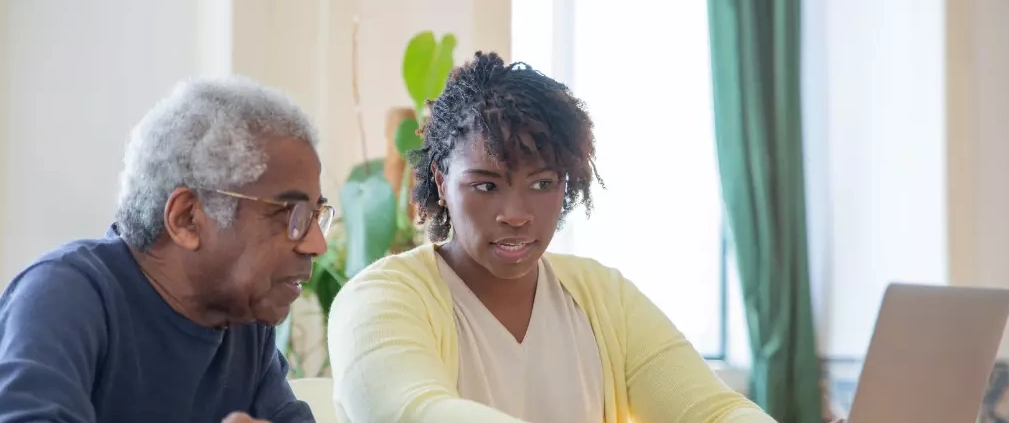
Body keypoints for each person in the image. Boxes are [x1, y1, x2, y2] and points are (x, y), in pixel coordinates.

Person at [326, 51, 778, 423]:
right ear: (442, 182)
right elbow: (416, 413)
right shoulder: (378, 299)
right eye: (486, 185)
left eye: (542, 184)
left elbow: (713, 411)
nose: (517, 215)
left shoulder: (602, 296)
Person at [0, 76, 328, 423]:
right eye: (291, 215)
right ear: (187, 218)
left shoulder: (246, 329)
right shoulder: (65, 297)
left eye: (316, 216)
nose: (317, 243)